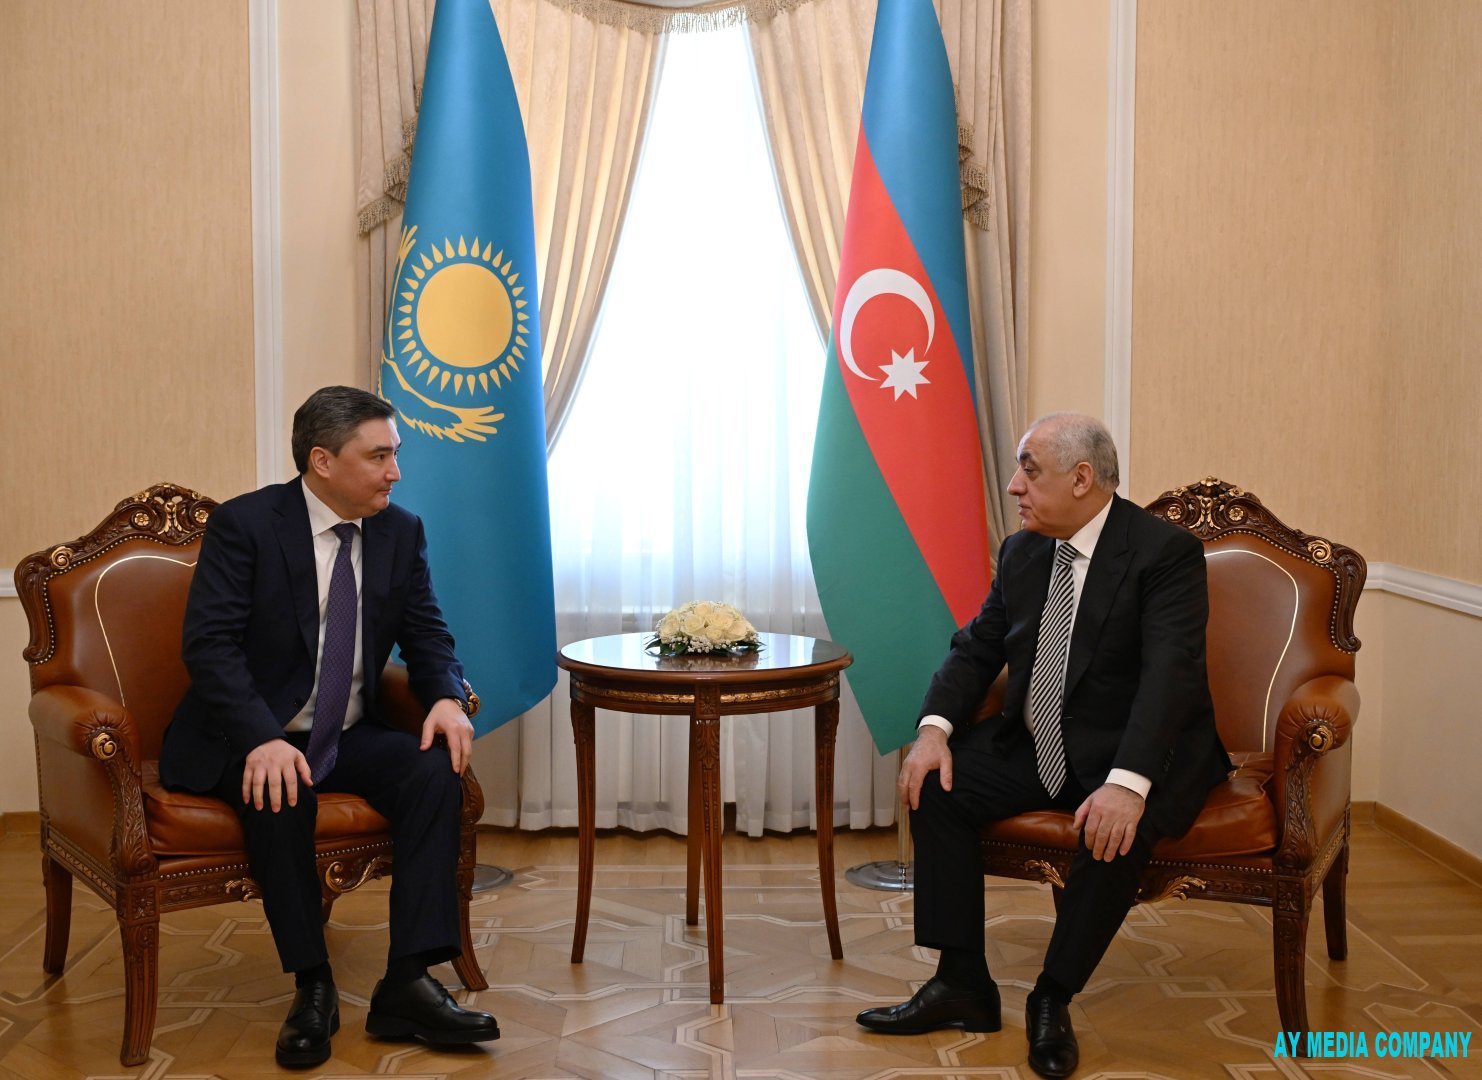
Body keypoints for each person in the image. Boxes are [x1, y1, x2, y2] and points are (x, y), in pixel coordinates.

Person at [856, 413, 1230, 1079]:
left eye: (1028, 469)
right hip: (1043, 742)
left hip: (1139, 751)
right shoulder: (1023, 552)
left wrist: (1127, 783)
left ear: (1082, 479)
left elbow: (1170, 677)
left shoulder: (1162, 553)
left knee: (1114, 831)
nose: (1012, 485)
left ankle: (1052, 997)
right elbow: (975, 648)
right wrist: (933, 731)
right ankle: (961, 982)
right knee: (937, 783)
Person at [160, 386, 499, 1068]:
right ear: (322, 461)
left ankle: (408, 980)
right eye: (378, 457)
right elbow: (209, 646)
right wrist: (261, 737)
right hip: (247, 736)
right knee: (281, 791)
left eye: (395, 454)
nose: (395, 472)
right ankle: (312, 985)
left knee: (433, 769)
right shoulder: (247, 524)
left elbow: (427, 633)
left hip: (342, 734)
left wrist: (442, 696)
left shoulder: (400, 531)